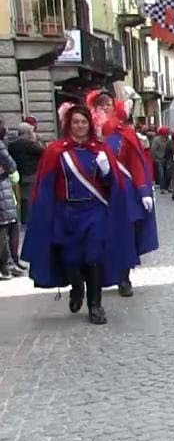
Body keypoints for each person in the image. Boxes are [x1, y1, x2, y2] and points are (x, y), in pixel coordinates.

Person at [20, 103, 138, 324]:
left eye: (84, 122)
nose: (80, 126)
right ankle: (76, 287)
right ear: (69, 124)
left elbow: (113, 186)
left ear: (89, 124)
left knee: (94, 256)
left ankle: (95, 305)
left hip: (95, 210)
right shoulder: (56, 150)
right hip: (67, 212)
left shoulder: (101, 150)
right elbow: (46, 185)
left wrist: (106, 171)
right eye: (76, 122)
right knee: (72, 258)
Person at [89, 90, 157, 297]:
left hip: (123, 192)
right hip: (95, 192)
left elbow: (136, 163)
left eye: (108, 103)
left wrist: (144, 190)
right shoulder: (86, 133)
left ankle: (123, 277)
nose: (105, 107)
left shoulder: (124, 133)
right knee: (97, 236)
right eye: (100, 104)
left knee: (125, 235)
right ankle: (95, 277)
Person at [9, 121, 43, 225]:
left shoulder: (12, 144)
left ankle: (24, 219)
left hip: (20, 174)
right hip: (32, 174)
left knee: (24, 198)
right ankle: (30, 221)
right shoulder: (29, 144)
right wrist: (36, 139)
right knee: (31, 198)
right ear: (27, 132)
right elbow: (43, 151)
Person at [0, 131, 21, 279]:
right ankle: (7, 265)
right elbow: (12, 166)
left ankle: (9, 264)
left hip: (5, 192)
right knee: (6, 229)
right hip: (3, 190)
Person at [149, 126, 170, 193]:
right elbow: (153, 150)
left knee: (168, 173)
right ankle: (162, 188)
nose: (166, 135)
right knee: (161, 174)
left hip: (166, 159)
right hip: (159, 159)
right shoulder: (156, 140)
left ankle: (167, 187)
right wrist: (157, 157)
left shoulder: (168, 139)